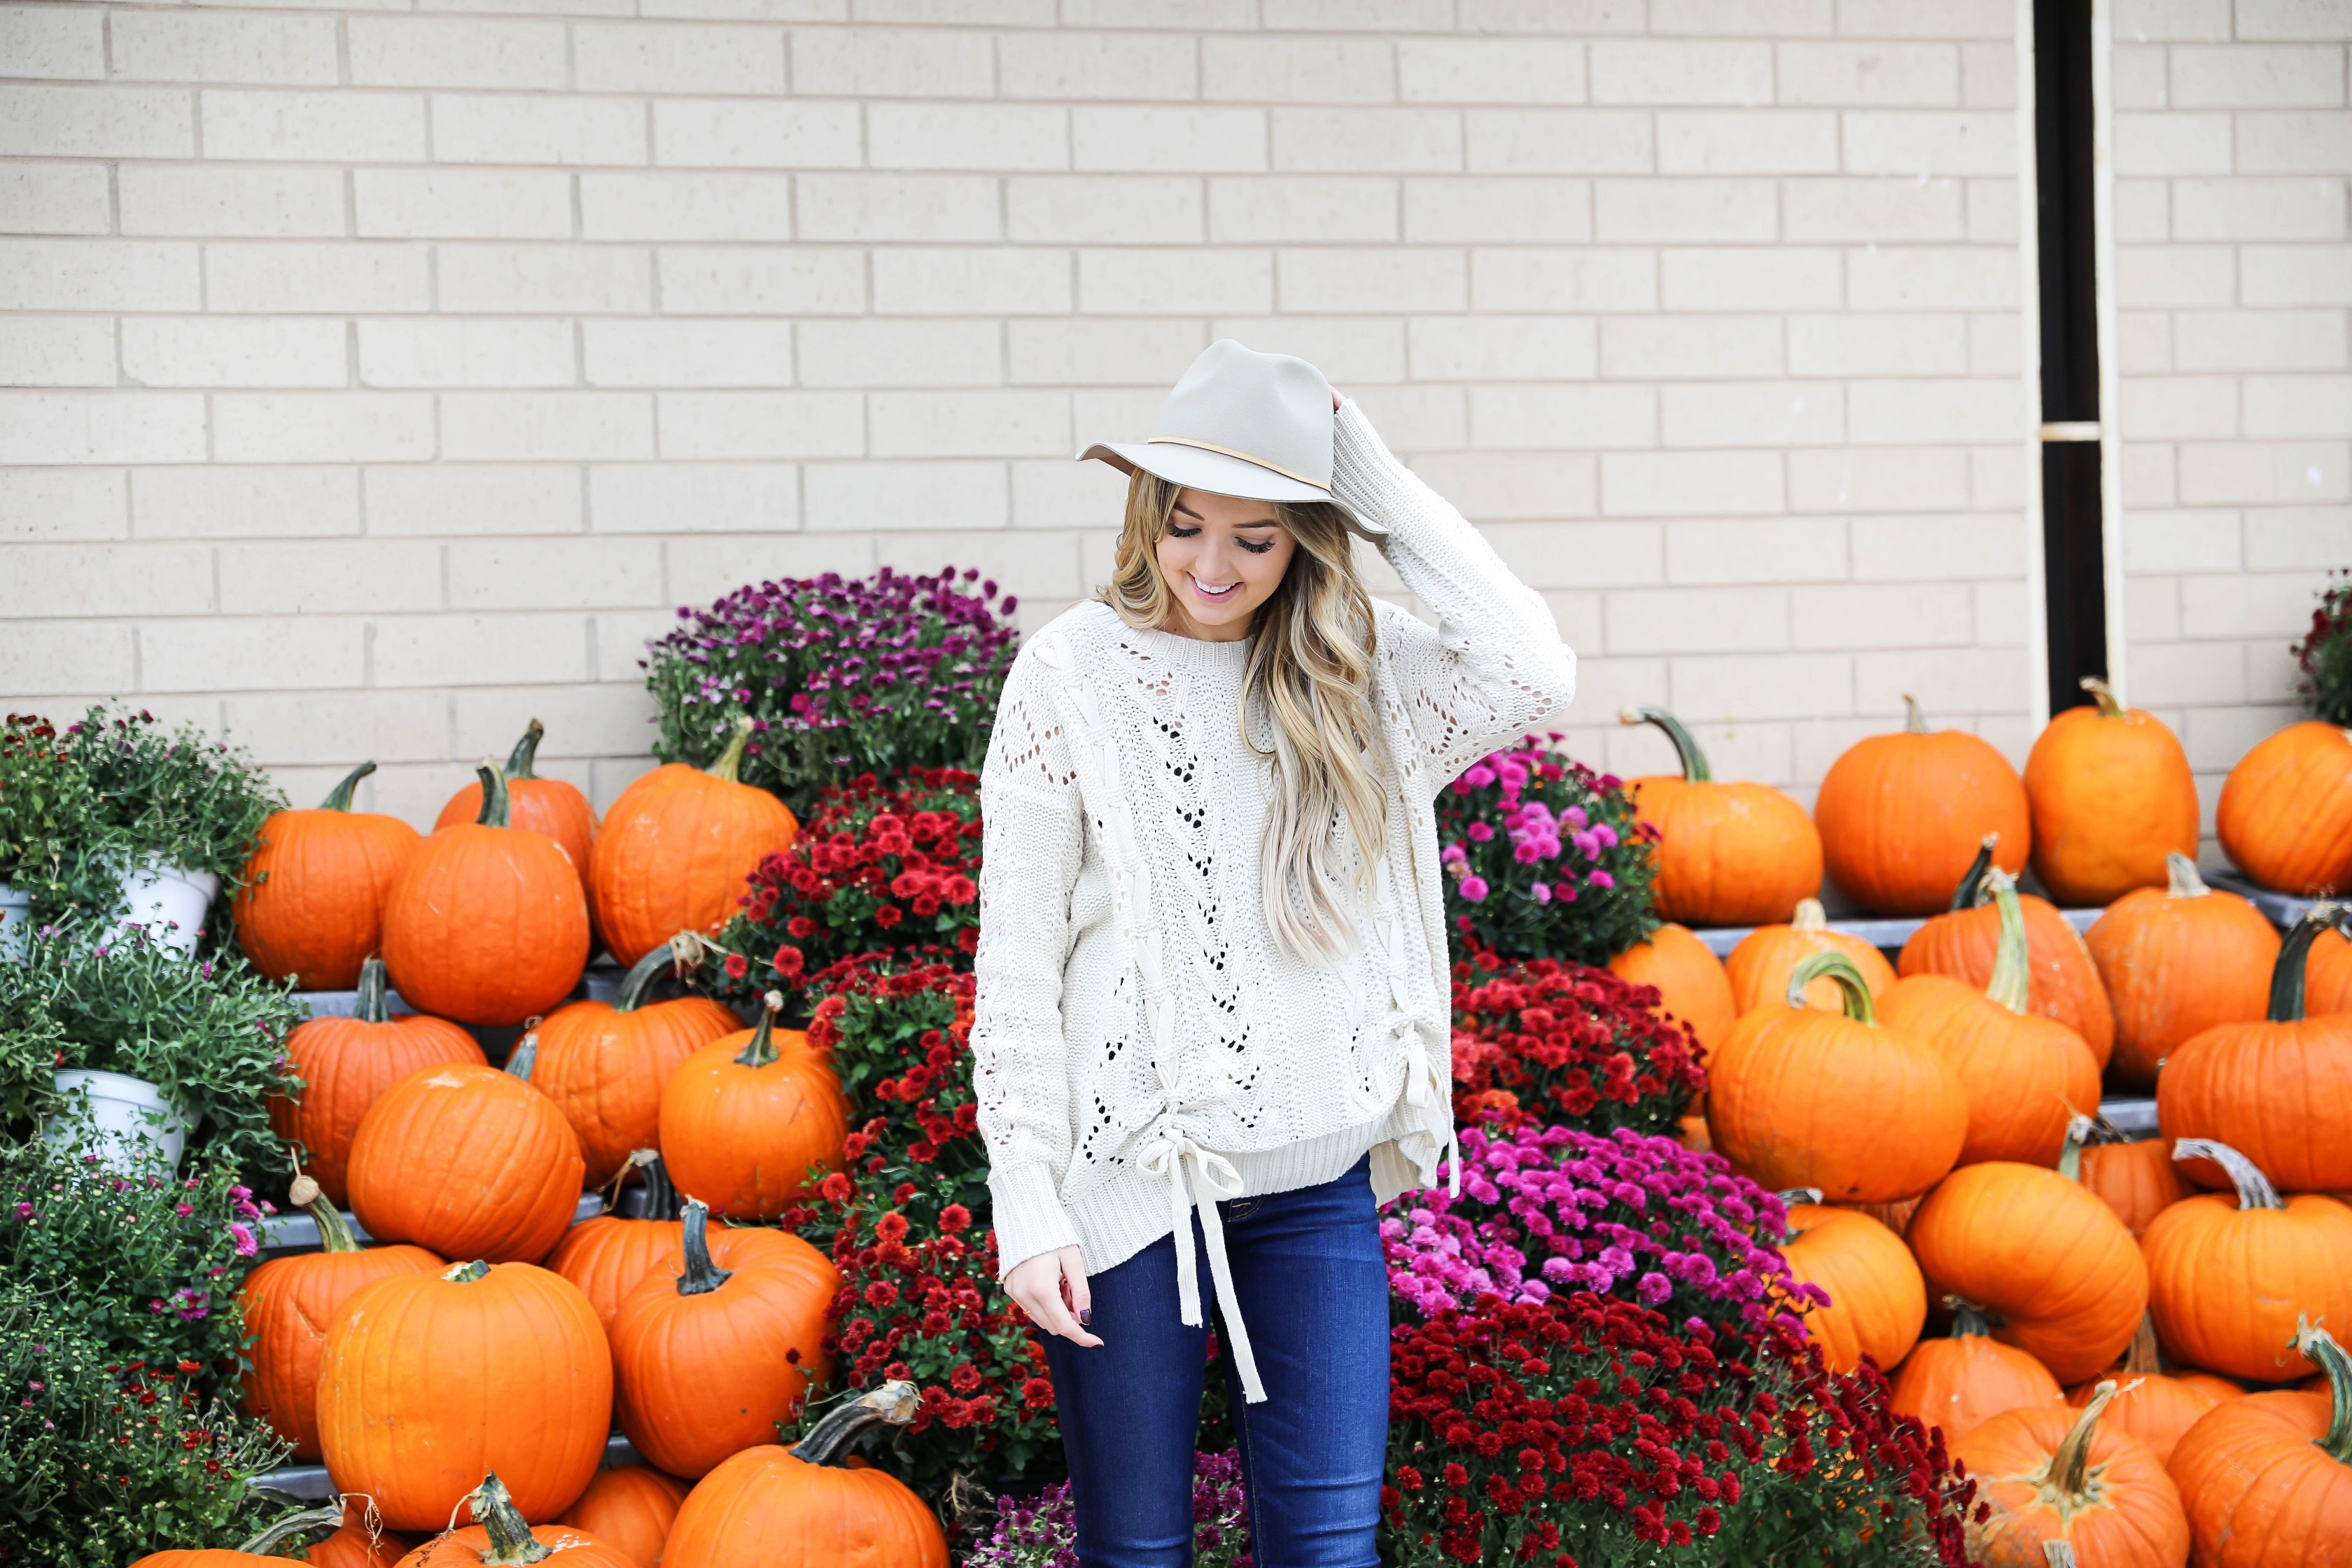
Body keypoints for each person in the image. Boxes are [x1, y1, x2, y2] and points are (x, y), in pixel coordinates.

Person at [971, 340, 1577, 1566]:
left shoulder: (1357, 675)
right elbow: (1017, 968)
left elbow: (1530, 666)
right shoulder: (1070, 675)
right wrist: (1026, 1198)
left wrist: (1372, 478)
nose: (1209, 565)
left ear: (1307, 536)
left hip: (1313, 1189)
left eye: (1255, 538)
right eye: (1187, 524)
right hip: (1137, 1185)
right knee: (1137, 1551)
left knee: (1330, 1548)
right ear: (1149, 511)